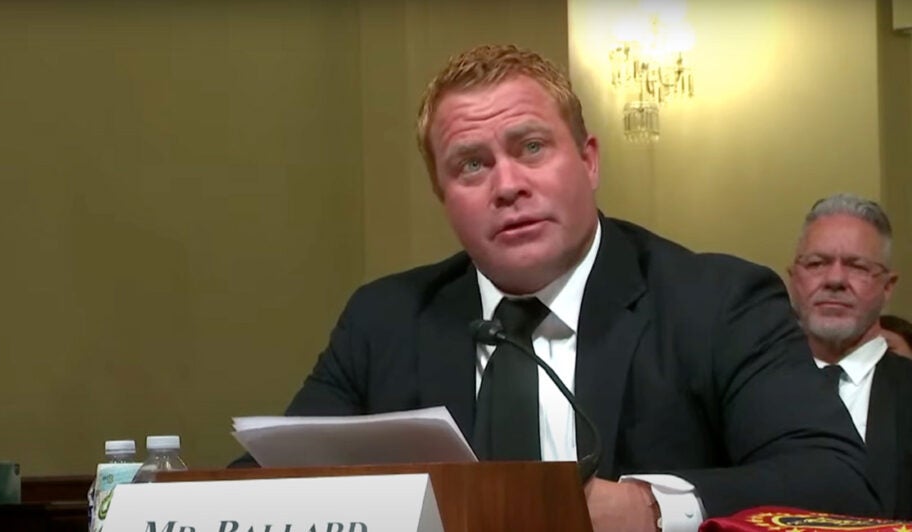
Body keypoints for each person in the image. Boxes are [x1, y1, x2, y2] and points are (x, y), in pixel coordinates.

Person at [268, 45, 878, 530]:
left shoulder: (715, 301)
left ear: (588, 161)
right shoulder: (386, 319)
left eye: (531, 147)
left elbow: (837, 485)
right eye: (471, 165)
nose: (507, 186)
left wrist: (654, 508)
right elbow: (273, 481)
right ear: (442, 197)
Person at [787, 193, 912, 519]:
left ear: (888, 287)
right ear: (793, 278)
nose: (835, 280)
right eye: (816, 263)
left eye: (857, 266)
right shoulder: (745, 392)